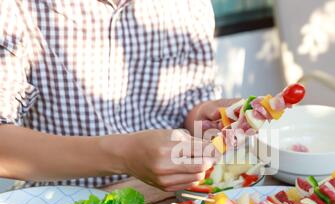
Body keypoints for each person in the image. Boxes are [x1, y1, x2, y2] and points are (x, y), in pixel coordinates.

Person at [0, 0, 236, 192]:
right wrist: (124, 155)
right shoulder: (14, 8)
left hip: (174, 202)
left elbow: (190, 103)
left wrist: (207, 120)